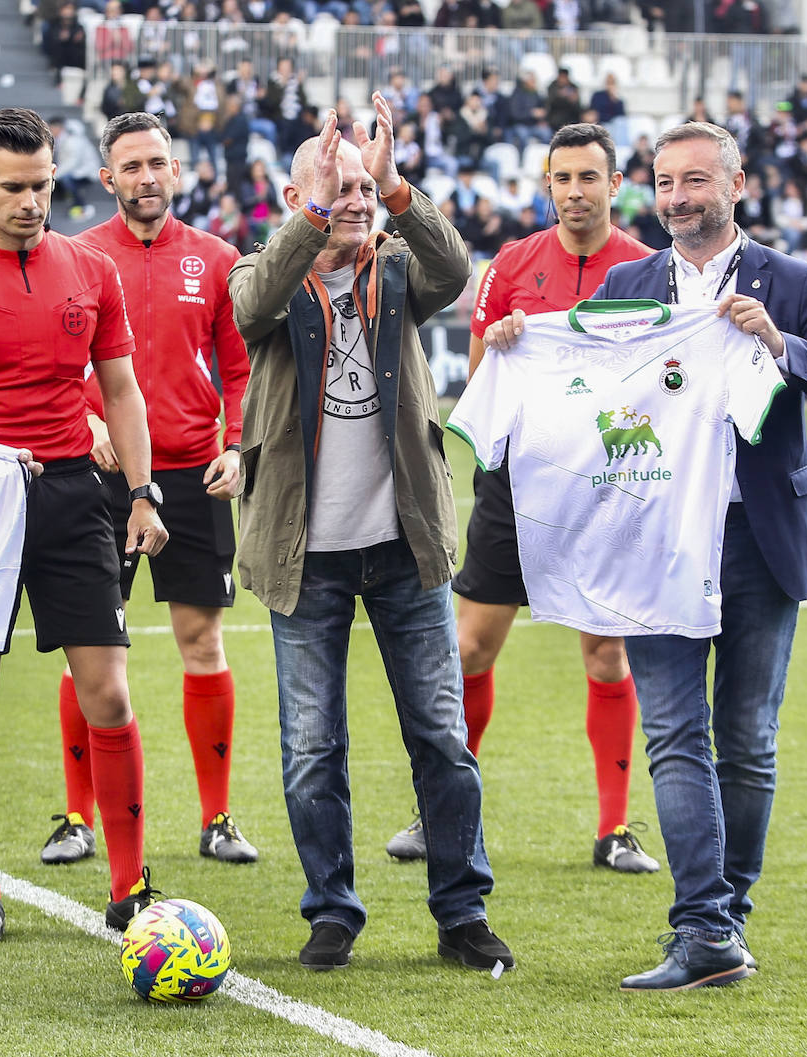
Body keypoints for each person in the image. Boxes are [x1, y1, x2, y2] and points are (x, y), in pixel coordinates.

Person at [574, 121, 807, 989]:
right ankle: (703, 925)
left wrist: (783, 344)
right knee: (674, 734)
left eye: (696, 181)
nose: (678, 198)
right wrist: (526, 344)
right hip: (657, 538)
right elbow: (584, 388)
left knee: (746, 740)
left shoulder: (792, 280)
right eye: (666, 183)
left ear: (736, 184)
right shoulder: (628, 284)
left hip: (757, 539)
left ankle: (724, 915)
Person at [227, 95, 513, 972]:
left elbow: (455, 268)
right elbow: (251, 309)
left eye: (359, 188)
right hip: (300, 550)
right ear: (297, 191)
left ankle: (461, 911)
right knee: (314, 746)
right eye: (334, 187)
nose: (350, 200)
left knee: (440, 735)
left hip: (405, 546)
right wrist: (315, 214)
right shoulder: (265, 269)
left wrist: (394, 186)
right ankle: (332, 912)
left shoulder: (397, 270)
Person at [0, 108, 168, 943]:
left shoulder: (90, 269)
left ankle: (130, 886)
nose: (30, 201)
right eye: (13, 187)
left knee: (110, 691)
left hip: (75, 499)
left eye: (42, 185)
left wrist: (146, 490)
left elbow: (119, 390)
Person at [382, 124, 661, 877]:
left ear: (614, 183)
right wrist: (505, 342)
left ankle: (614, 828)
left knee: (606, 651)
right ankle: (440, 808)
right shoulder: (512, 264)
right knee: (470, 647)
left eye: (588, 178)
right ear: (547, 186)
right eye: (562, 178)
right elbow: (478, 381)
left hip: (607, 488)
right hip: (518, 483)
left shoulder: (646, 268)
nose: (575, 191)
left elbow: (664, 380)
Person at [37, 111, 255, 869]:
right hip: (100, 480)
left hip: (194, 474)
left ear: (176, 169)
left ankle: (218, 816)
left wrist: (235, 446)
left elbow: (240, 370)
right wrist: (86, 421)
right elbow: (58, 367)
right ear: (108, 179)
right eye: (131, 166)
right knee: (90, 653)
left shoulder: (219, 257)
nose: (147, 177)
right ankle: (76, 816)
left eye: (157, 162)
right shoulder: (74, 256)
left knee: (203, 640)